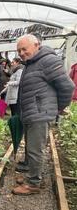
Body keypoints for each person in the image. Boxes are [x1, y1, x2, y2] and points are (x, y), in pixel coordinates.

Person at [12, 34, 74, 195]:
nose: (22, 53)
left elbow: (67, 87)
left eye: (24, 49)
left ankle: (33, 183)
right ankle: (31, 172)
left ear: (36, 44)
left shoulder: (48, 61)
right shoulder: (32, 62)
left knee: (35, 149)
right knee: (31, 145)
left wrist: (58, 108)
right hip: (31, 112)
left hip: (39, 113)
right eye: (19, 51)